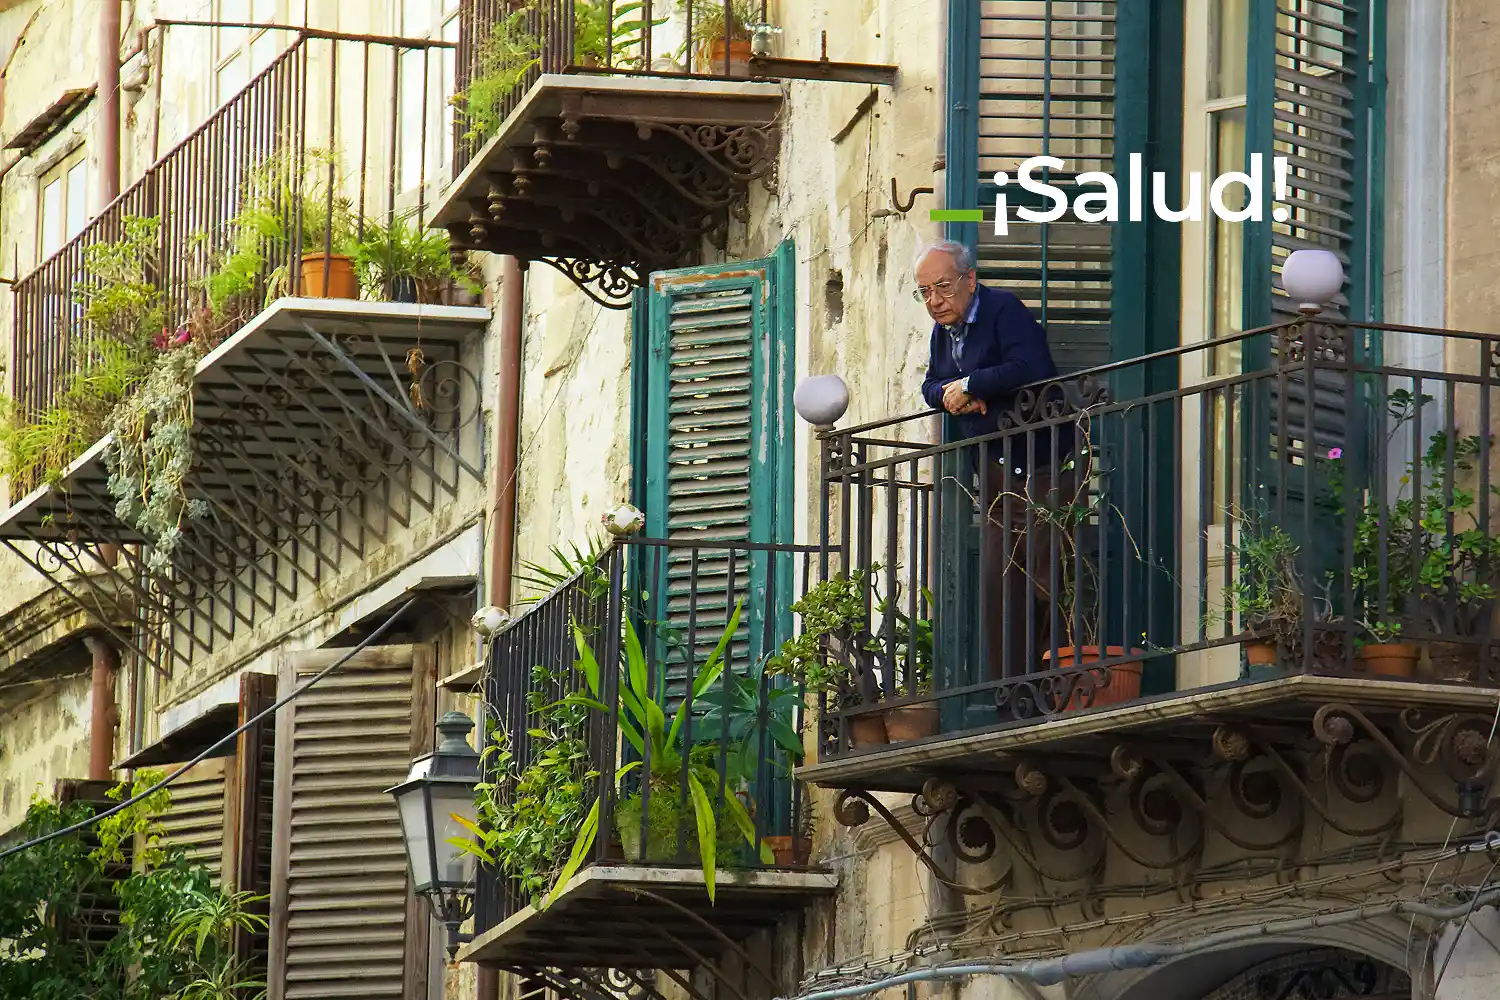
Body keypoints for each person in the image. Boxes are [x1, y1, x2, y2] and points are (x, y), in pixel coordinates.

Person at [916, 240, 1077, 682]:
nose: (934, 300)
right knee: (1000, 587)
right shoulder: (942, 333)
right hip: (994, 473)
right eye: (925, 292)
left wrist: (971, 385)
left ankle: (1061, 687)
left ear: (970, 280)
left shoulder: (1003, 309)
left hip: (1042, 462)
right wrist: (952, 395)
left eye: (943, 287)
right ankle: (1013, 694)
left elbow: (1030, 366)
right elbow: (930, 385)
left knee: (1048, 577)